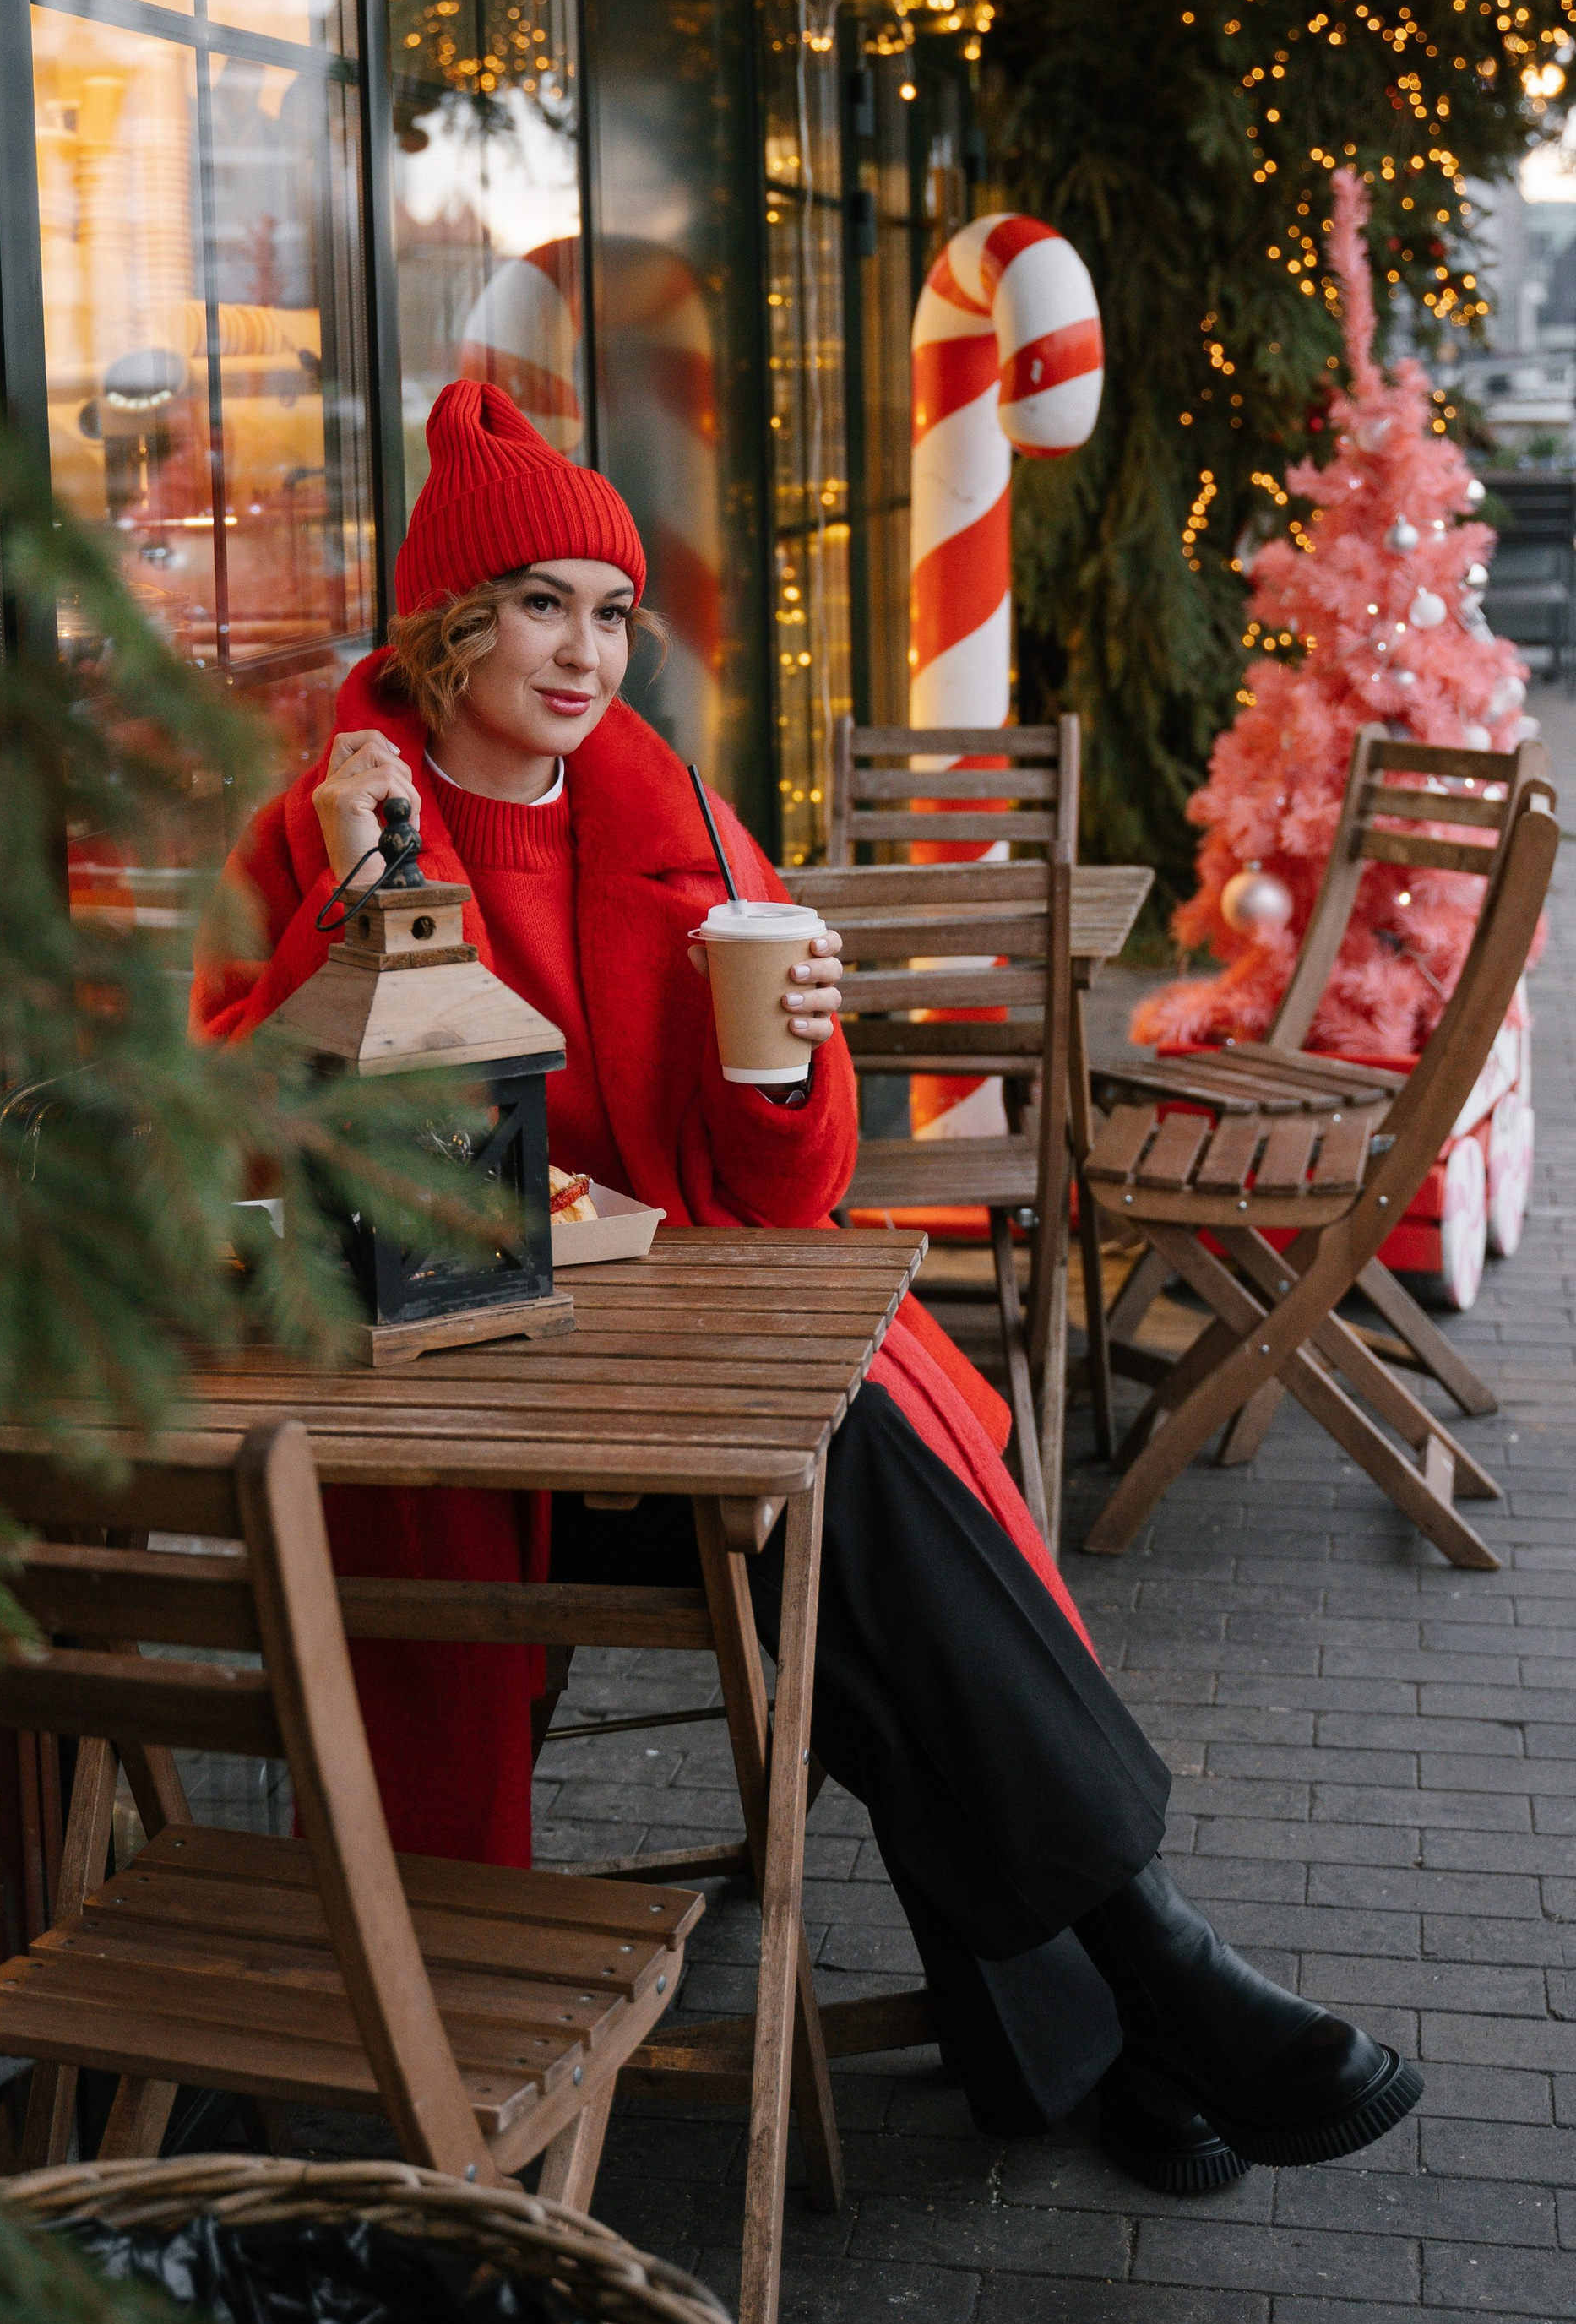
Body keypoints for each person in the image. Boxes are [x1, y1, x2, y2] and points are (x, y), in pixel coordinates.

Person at [196, 380, 1422, 2196]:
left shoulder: (677, 815)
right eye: (538, 602)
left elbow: (793, 1190)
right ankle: (1146, 1974)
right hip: (458, 1427)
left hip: (681, 1382)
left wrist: (783, 1070)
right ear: (447, 622)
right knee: (867, 1509)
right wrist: (353, 885)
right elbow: (229, 1113)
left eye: (609, 610)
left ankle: (1134, 1981)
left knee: (852, 1486)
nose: (585, 650)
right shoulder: (316, 827)